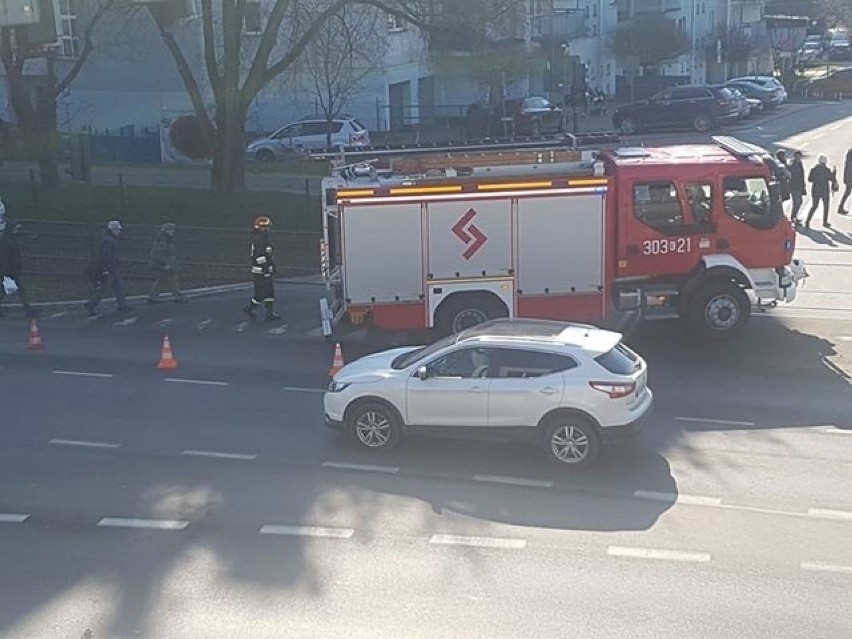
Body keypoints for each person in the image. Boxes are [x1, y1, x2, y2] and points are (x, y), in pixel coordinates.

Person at [84, 220, 131, 316]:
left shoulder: (109, 239)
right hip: (110, 268)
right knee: (105, 288)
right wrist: (106, 269)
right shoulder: (109, 241)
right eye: (117, 230)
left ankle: (122, 305)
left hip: (112, 268)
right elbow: (106, 256)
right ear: (112, 230)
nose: (119, 231)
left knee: (118, 287)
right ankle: (90, 305)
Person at [243, 216, 282, 322]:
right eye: (267, 227)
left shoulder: (261, 238)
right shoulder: (259, 240)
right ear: (261, 228)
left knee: (268, 292)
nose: (268, 229)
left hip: (263, 270)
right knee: (261, 294)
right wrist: (266, 268)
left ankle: (268, 313)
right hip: (261, 271)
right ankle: (251, 309)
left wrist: (272, 266)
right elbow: (260, 256)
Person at [0, 218, 35, 317]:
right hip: (7, 271)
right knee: (18, 290)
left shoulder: (10, 239)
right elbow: (5, 258)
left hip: (10, 271)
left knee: (5, 291)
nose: (18, 230)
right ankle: (28, 308)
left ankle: (28, 308)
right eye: (16, 228)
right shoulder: (6, 241)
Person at [147, 222, 187, 304]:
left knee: (161, 280)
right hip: (166, 263)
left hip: (166, 262)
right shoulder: (164, 240)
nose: (173, 231)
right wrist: (166, 264)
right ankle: (178, 297)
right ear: (167, 230)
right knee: (173, 280)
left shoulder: (164, 238)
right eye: (172, 230)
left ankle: (153, 296)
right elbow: (160, 253)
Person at [806, 155, 839, 229]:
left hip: (815, 190)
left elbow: (809, 179)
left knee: (814, 206)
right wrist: (834, 172)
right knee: (826, 206)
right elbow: (832, 179)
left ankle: (807, 221)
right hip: (824, 190)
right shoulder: (827, 170)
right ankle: (825, 222)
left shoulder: (813, 169)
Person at [789, 150, 806, 226]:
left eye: (800, 156)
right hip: (794, 186)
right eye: (797, 156)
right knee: (797, 202)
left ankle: (794, 216)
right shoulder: (792, 164)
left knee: (800, 202)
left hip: (799, 186)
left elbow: (802, 176)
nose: (798, 158)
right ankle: (793, 217)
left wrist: (803, 186)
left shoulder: (800, 164)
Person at [837, 145, 852, 215]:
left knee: (847, 192)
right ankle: (840, 207)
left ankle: (840, 207)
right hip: (849, 176)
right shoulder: (850, 153)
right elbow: (848, 167)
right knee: (848, 192)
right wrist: (846, 177)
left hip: (848, 176)